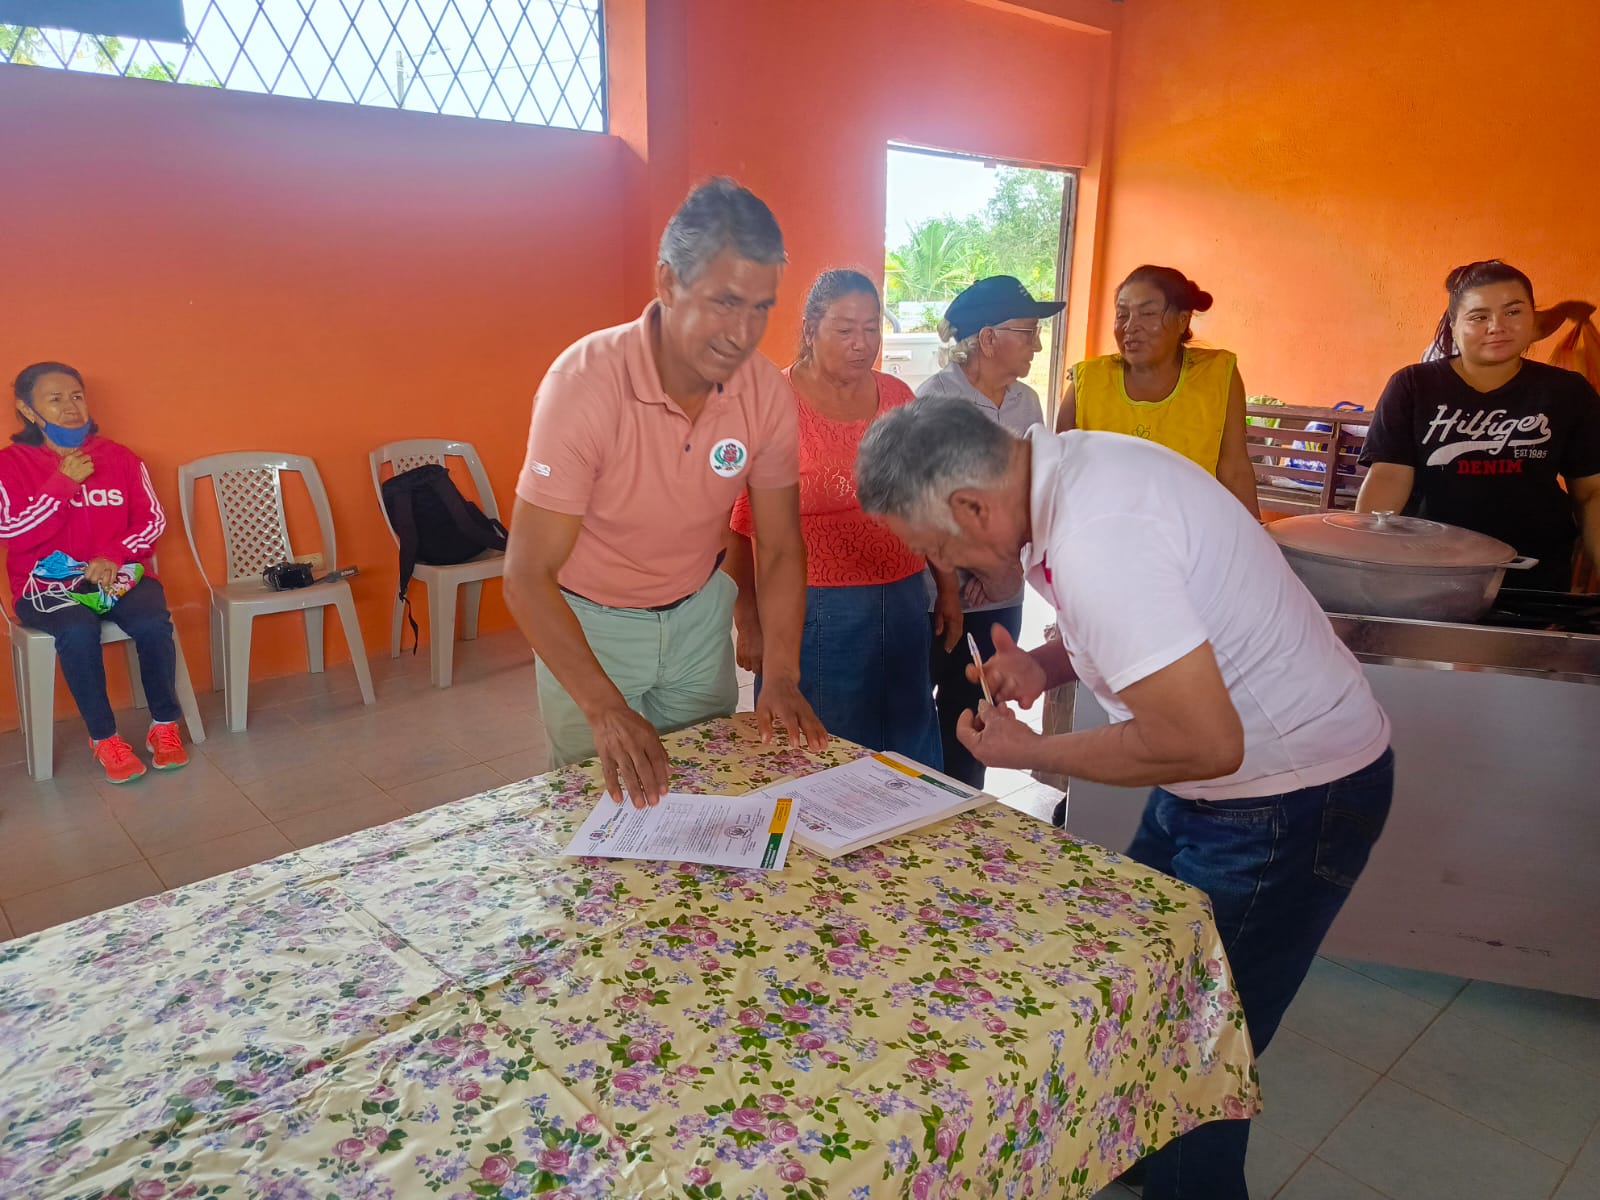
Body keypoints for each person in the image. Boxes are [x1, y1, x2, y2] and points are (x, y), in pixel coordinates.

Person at [855, 395, 1393, 1200]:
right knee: (1144, 995)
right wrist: (1044, 664)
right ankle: (1136, 1150)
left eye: (934, 547)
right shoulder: (1074, 471)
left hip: (1284, 803)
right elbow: (1157, 626)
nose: (945, 569)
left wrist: (1031, 752)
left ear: (971, 506)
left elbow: (1205, 740)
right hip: (1219, 791)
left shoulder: (1098, 539)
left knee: (1194, 1051)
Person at [504, 178, 827, 807]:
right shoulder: (584, 384)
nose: (743, 333)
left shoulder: (764, 392)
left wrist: (781, 676)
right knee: (597, 808)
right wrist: (603, 708)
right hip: (590, 623)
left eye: (761, 307)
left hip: (698, 616)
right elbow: (526, 573)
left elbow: (781, 546)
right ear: (668, 282)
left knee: (709, 797)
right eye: (725, 302)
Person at [725, 269, 946, 766]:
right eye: (845, 329)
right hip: (814, 611)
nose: (861, 343)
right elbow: (739, 525)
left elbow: (925, 501)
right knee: (824, 751)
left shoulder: (898, 398)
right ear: (810, 329)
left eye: (871, 328)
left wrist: (945, 587)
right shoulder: (772, 403)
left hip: (903, 598)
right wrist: (749, 623)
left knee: (906, 740)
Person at [1359, 260, 1600, 592]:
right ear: (1453, 324)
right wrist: (1364, 563)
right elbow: (1389, 476)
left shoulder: (1567, 391)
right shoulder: (1413, 385)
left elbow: (1591, 492)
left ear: (1533, 319)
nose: (1497, 327)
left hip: (1535, 574)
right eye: (1479, 317)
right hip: (1427, 573)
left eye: (1513, 312)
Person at [1, 362, 189, 783]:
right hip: (44, 586)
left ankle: (164, 724)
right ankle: (104, 738)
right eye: (55, 399)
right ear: (27, 410)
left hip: (118, 575)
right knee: (77, 628)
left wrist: (115, 555)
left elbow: (153, 521)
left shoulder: (120, 458)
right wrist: (61, 484)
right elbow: (11, 531)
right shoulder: (9, 465)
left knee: (152, 621)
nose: (70, 407)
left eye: (76, 396)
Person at [914, 274, 1062, 787]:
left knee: (978, 709)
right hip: (941, 597)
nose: (1037, 344)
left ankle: (962, 811)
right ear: (988, 339)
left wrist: (1006, 570)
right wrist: (967, 576)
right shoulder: (935, 400)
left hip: (1002, 595)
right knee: (924, 715)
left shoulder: (1027, 403)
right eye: (1028, 331)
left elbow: (1031, 493)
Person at [1058, 265, 1260, 517]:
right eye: (1122, 314)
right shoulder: (1087, 381)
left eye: (1148, 313)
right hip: (1104, 527)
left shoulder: (1217, 376)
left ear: (1182, 321)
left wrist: (1257, 533)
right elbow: (1062, 471)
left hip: (1191, 530)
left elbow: (1234, 469)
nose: (1130, 326)